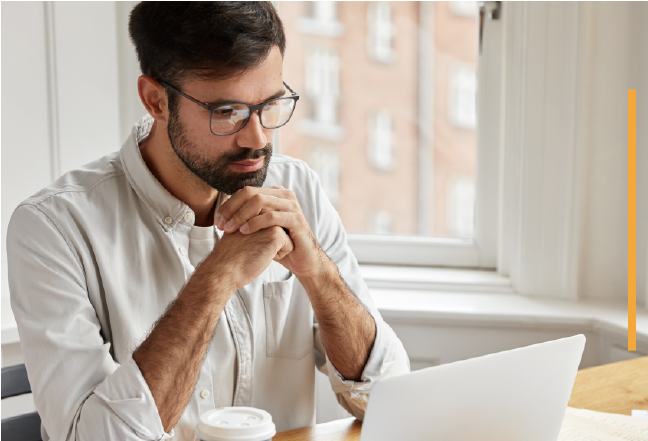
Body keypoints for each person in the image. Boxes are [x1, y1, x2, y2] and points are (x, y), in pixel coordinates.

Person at [7, 2, 410, 440]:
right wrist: (216, 277)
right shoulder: (52, 229)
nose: (257, 138)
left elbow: (389, 397)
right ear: (156, 100)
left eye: (270, 105)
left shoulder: (298, 190)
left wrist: (318, 273)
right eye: (227, 112)